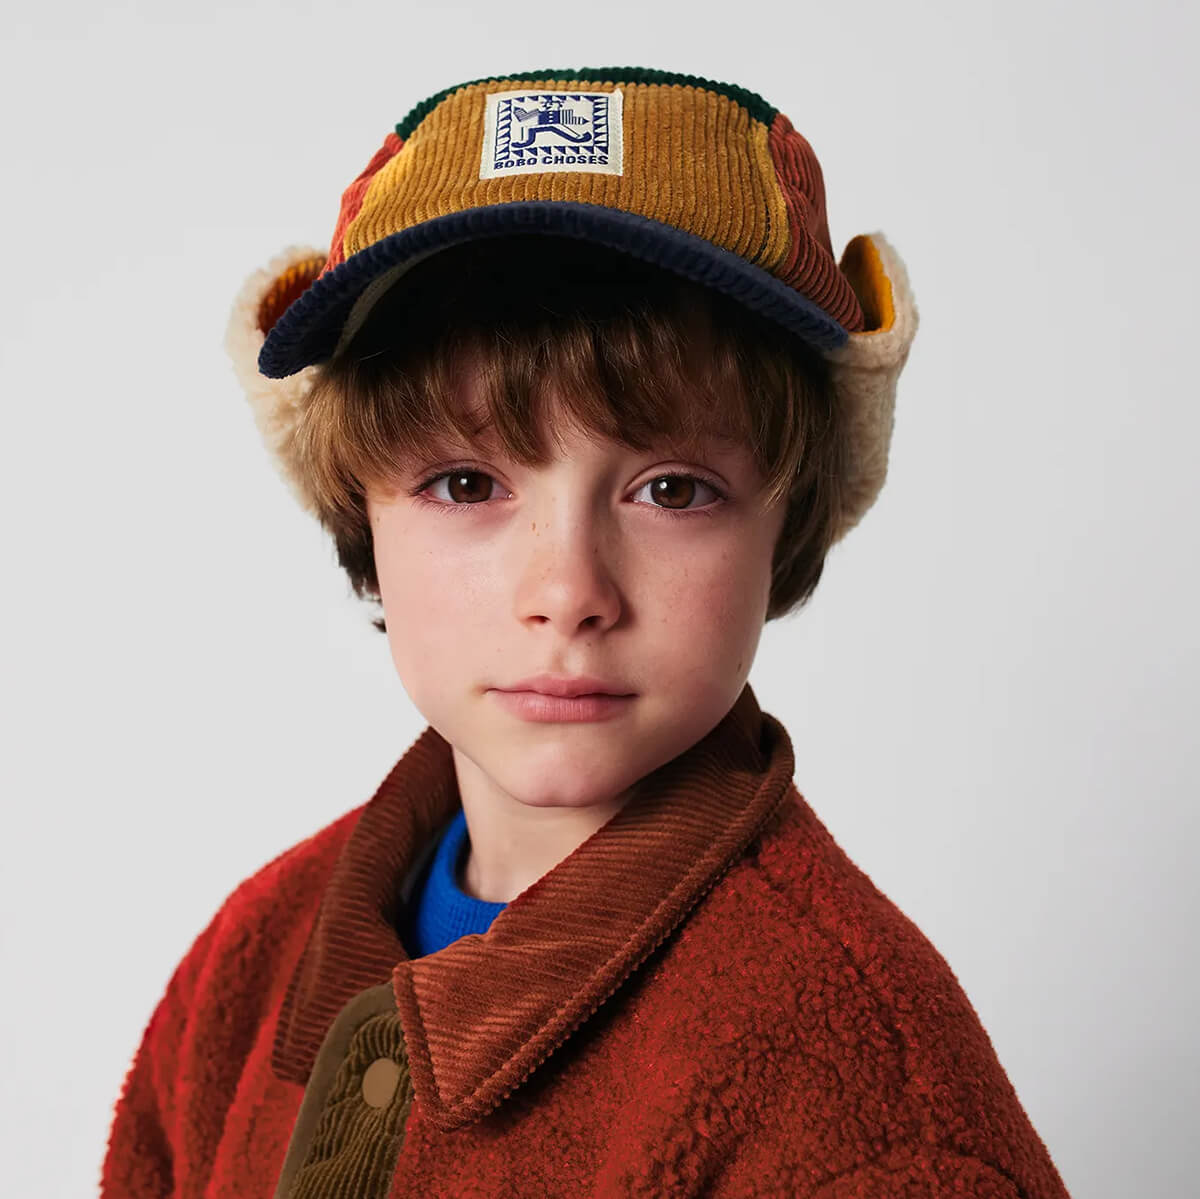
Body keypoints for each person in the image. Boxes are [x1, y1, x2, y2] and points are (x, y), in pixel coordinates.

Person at [101, 66, 1071, 1197]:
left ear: (787, 526)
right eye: (467, 483)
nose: (568, 591)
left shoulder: (867, 1118)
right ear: (360, 516)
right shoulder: (253, 959)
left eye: (672, 490)